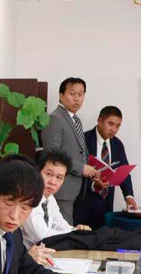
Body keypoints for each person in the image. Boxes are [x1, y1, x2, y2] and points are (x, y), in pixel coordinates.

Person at [41, 78, 100, 224]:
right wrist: (81, 168)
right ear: (61, 96)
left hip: (76, 187)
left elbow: (79, 152)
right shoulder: (55, 119)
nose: (77, 98)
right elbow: (52, 154)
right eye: (72, 93)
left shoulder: (75, 119)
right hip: (61, 189)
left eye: (81, 94)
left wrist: (90, 171)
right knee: (62, 229)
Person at [73, 106, 138, 229]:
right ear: (99, 121)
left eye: (118, 126)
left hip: (106, 206)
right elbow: (74, 169)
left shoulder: (118, 144)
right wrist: (94, 183)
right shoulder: (83, 140)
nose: (114, 129)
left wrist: (129, 196)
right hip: (83, 204)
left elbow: (124, 173)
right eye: (110, 124)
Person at [22, 151, 91, 264]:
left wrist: (75, 230)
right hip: (26, 261)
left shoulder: (50, 198)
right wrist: (74, 234)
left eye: (59, 177)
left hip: (45, 256)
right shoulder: (29, 198)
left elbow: (60, 224)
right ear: (37, 172)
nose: (53, 182)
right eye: (49, 174)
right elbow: (42, 235)